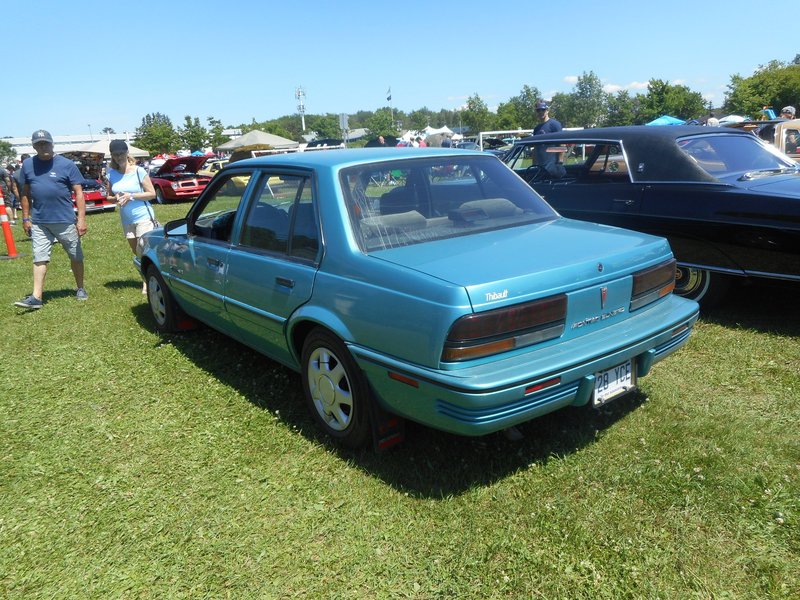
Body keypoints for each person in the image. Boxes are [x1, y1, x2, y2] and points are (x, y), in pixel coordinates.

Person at [15, 130, 87, 309]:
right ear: (34, 146)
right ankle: (36, 297)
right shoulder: (28, 165)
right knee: (39, 257)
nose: (43, 147)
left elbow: (79, 193)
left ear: (52, 143)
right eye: (39, 144)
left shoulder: (67, 164)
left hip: (65, 220)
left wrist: (81, 219)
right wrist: (25, 218)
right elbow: (25, 193)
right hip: (39, 221)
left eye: (46, 143)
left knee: (75, 255)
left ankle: (80, 288)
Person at [105, 139, 157, 292]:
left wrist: (131, 196)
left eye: (121, 154)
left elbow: (152, 194)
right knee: (136, 252)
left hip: (143, 217)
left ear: (127, 153)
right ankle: (146, 277)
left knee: (144, 249)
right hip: (127, 219)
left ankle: (148, 282)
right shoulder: (111, 174)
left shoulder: (138, 171)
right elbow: (108, 196)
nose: (118, 157)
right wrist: (117, 198)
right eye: (115, 155)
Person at [532, 101, 565, 178]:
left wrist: (559, 161)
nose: (540, 112)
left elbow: (561, 144)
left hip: (553, 165)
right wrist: (534, 164)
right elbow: (535, 148)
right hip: (540, 167)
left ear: (547, 111)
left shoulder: (555, 125)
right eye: (538, 110)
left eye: (543, 110)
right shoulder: (536, 129)